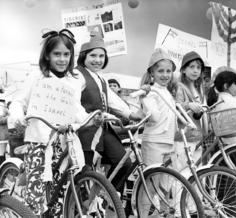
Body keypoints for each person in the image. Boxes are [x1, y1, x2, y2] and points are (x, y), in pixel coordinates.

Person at [8, 29, 90, 217]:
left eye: (66, 54)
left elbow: (76, 109)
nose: (62, 59)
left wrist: (92, 118)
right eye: (57, 54)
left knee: (59, 194)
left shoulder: (73, 81)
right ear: (47, 55)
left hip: (62, 144)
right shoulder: (37, 76)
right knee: (36, 195)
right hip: (39, 141)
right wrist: (18, 117)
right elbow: (19, 101)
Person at [74, 32, 142, 197]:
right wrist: (87, 119)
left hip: (104, 129)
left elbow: (113, 100)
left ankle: (106, 197)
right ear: (84, 56)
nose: (98, 60)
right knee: (84, 172)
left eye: (101, 56)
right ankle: (77, 208)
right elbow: (72, 101)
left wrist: (131, 114)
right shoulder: (77, 75)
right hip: (86, 131)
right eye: (93, 55)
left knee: (124, 163)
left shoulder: (101, 78)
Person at [139, 48, 179, 218]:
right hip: (154, 142)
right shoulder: (150, 91)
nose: (165, 75)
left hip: (169, 142)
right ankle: (141, 213)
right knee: (151, 183)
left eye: (168, 71)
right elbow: (154, 117)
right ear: (152, 73)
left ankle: (164, 213)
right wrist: (145, 97)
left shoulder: (167, 92)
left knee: (167, 182)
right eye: (160, 71)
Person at [207, 66, 236, 216]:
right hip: (232, 144)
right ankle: (232, 212)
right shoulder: (230, 101)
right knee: (231, 181)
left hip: (223, 144)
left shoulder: (217, 100)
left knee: (224, 179)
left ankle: (226, 211)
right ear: (227, 85)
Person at [174, 51, 206, 169]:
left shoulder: (198, 89)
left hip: (196, 137)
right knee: (183, 174)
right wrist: (188, 105)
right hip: (183, 139)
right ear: (183, 70)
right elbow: (175, 107)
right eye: (191, 67)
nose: (196, 70)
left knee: (196, 175)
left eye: (198, 67)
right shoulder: (179, 87)